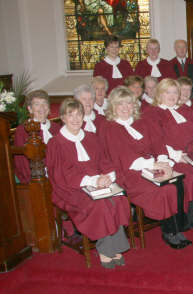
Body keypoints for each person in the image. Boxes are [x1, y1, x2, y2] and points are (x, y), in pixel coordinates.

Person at [102, 86, 192, 249]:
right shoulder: (110, 128)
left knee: (177, 181)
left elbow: (158, 143)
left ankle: (178, 228)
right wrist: (154, 164)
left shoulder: (141, 122)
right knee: (165, 190)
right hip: (130, 174)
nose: (125, 108)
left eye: (128, 104)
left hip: (152, 167)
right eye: (120, 104)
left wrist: (164, 161)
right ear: (113, 107)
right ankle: (169, 231)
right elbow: (123, 158)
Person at [46, 98, 130, 269]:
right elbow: (62, 174)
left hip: (98, 184)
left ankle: (116, 247)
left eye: (79, 115)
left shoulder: (91, 137)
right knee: (101, 206)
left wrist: (108, 176)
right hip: (71, 189)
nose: (76, 119)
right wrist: (92, 180)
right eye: (71, 115)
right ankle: (105, 250)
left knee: (119, 200)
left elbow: (104, 160)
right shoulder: (56, 143)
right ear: (62, 117)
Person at [150, 78, 193, 227]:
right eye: (168, 92)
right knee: (190, 176)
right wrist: (177, 156)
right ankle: (188, 214)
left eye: (175, 92)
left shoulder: (185, 109)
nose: (172, 95)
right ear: (160, 94)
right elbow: (156, 140)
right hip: (173, 158)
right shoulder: (154, 113)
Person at [14, 90, 61, 184]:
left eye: (44, 103)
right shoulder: (22, 131)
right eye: (37, 104)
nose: (42, 108)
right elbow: (21, 163)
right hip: (36, 180)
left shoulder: (57, 128)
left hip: (60, 176)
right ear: (30, 109)